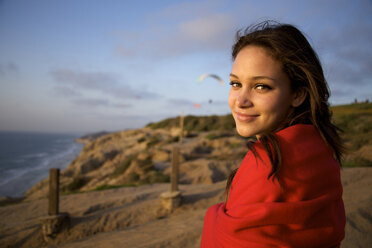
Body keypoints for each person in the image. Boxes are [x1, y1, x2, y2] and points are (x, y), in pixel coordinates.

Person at [201, 21, 346, 247]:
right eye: (236, 83)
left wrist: (215, 216)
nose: (241, 101)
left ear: (297, 94)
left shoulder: (269, 162)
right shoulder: (320, 149)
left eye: (261, 86)